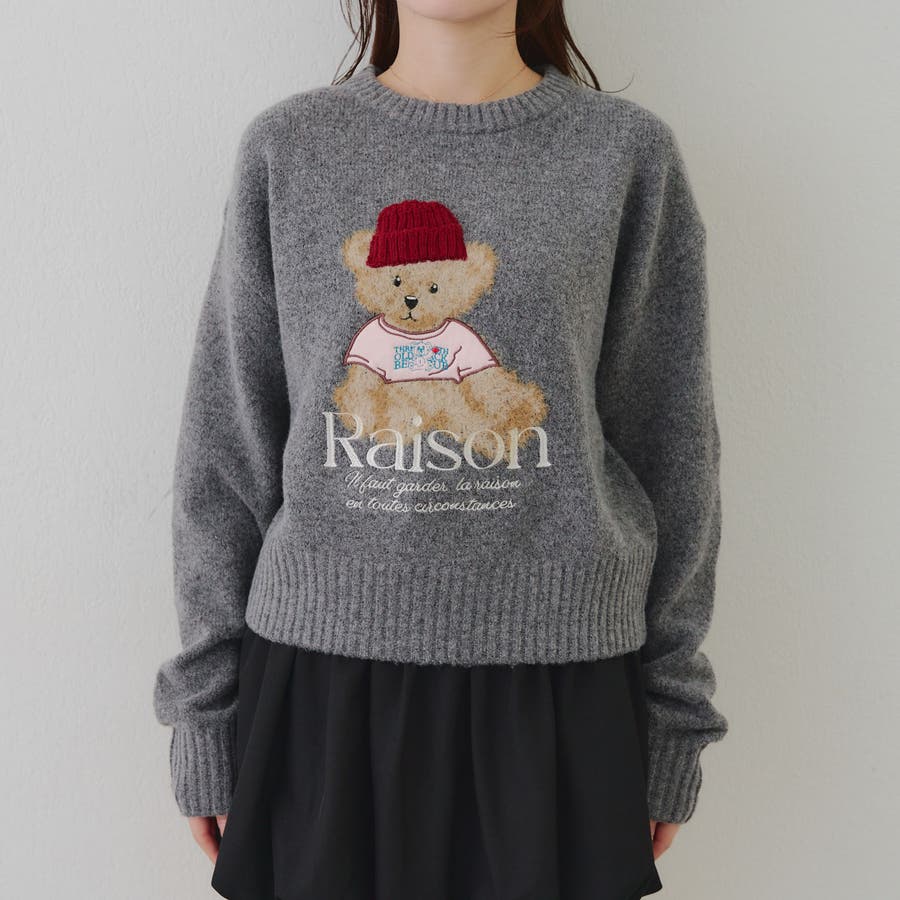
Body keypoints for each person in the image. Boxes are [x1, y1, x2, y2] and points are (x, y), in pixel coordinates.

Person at [152, 1, 730, 897]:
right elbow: (227, 448)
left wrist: (674, 718)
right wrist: (203, 713)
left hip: (561, 692)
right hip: (320, 690)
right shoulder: (290, 148)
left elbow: (672, 448)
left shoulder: (624, 156)